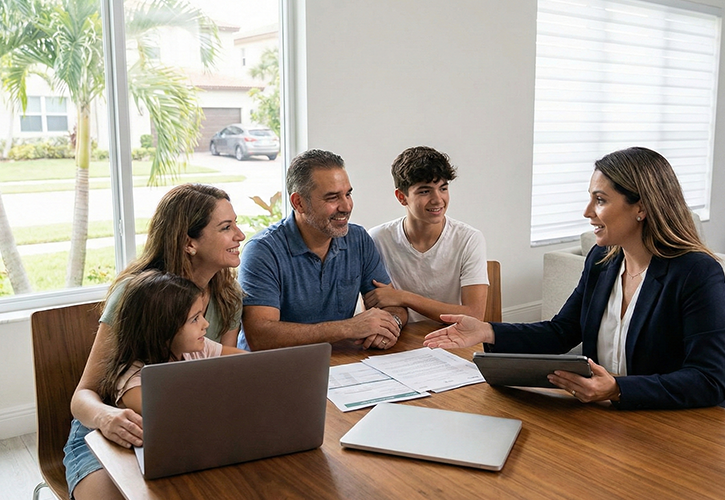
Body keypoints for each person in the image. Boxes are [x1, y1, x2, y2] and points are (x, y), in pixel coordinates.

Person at [424, 147, 725, 410]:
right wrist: (487, 331)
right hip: (606, 418)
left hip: (671, 426)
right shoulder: (602, 261)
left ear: (641, 207)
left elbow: (709, 379)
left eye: (600, 200)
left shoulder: (697, 273)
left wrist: (618, 389)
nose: (588, 212)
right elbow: (561, 332)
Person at [65, 184, 246, 500]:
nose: (240, 235)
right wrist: (106, 418)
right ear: (189, 242)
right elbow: (83, 395)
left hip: (192, 429)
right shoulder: (137, 296)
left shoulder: (228, 297)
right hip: (108, 429)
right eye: (226, 227)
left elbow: (226, 375)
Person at [238, 149, 408, 351]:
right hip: (275, 369)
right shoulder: (262, 251)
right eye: (332, 198)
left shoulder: (358, 239)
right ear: (298, 202)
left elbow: (392, 304)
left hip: (340, 363)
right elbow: (260, 336)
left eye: (348, 194)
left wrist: (390, 325)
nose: (346, 206)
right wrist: (347, 328)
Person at [366, 146, 489, 323]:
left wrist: (403, 297)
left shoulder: (469, 239)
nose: (438, 199)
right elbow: (376, 302)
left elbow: (474, 315)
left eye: (443, 188)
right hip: (402, 340)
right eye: (425, 191)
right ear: (402, 197)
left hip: (453, 337)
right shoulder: (378, 238)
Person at [97, 270, 245, 415]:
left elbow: (247, 361)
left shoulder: (197, 348)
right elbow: (172, 415)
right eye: (195, 319)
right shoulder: (132, 379)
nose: (205, 324)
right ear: (164, 329)